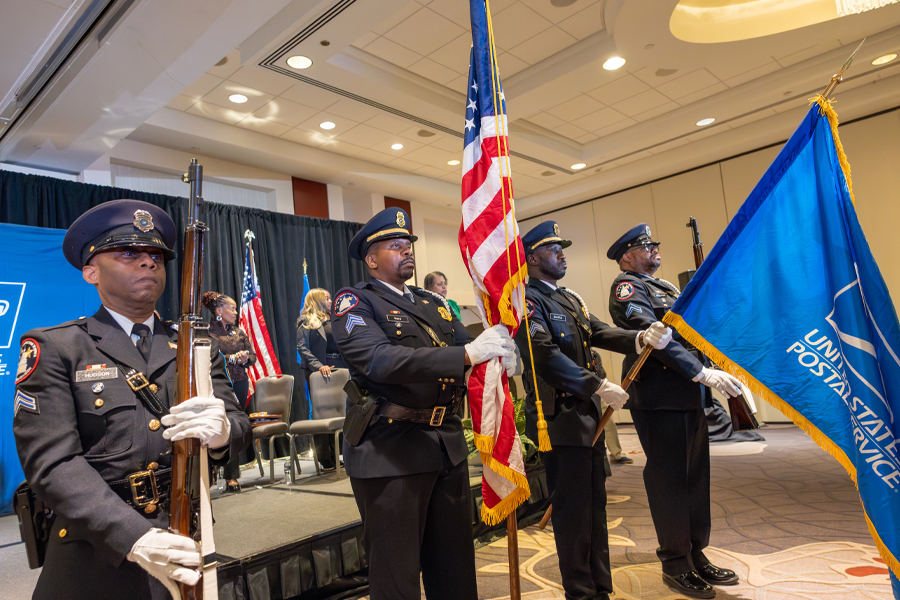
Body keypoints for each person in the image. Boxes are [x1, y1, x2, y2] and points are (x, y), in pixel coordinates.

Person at [13, 199, 252, 600]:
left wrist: (224, 433)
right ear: (91, 272)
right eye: (128, 253)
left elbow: (237, 421)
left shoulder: (192, 344)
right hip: (97, 548)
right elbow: (52, 462)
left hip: (185, 533)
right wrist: (134, 537)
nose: (148, 263)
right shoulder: (58, 347)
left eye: (155, 256)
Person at [332, 207, 515, 600]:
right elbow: (379, 360)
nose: (406, 251)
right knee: (397, 575)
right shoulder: (354, 303)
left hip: (442, 444)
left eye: (408, 245)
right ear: (371, 259)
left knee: (454, 567)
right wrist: (468, 354)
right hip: (390, 448)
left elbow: (466, 346)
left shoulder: (431, 304)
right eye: (395, 246)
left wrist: (499, 348)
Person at [514, 220, 672, 600]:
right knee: (572, 513)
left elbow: (597, 331)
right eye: (554, 249)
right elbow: (544, 355)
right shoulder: (527, 300)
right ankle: (580, 592)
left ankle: (600, 586)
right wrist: (597, 385)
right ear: (533, 257)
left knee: (595, 507)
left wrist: (638, 337)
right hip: (559, 418)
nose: (562, 254)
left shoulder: (569, 297)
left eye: (562, 248)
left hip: (586, 417)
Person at [607, 223, 743, 599]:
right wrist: (700, 372)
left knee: (695, 479)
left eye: (653, 244)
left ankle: (696, 551)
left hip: (689, 396)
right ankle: (675, 562)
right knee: (669, 481)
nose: (654, 249)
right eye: (645, 246)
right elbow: (656, 336)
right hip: (660, 396)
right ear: (627, 256)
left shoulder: (666, 288)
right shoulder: (627, 287)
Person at [203, 290, 258, 492]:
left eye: (236, 308)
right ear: (218, 310)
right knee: (220, 424)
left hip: (240, 382)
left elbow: (253, 357)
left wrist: (245, 358)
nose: (235, 312)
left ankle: (232, 476)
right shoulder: (208, 333)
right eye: (231, 308)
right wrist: (232, 358)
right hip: (219, 384)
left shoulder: (238, 332)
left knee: (234, 424)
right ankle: (213, 471)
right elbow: (207, 360)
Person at [296, 288, 345, 470]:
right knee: (322, 412)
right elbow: (303, 348)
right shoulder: (306, 321)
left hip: (339, 369)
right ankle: (324, 457)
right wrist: (319, 366)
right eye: (327, 298)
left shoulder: (335, 320)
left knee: (337, 412)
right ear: (316, 301)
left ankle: (336, 453)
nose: (331, 301)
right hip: (319, 372)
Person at [591, 348, 632, 465]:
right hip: (584, 393)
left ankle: (616, 453)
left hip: (598, 392)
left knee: (609, 422)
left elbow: (602, 373)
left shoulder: (594, 354)